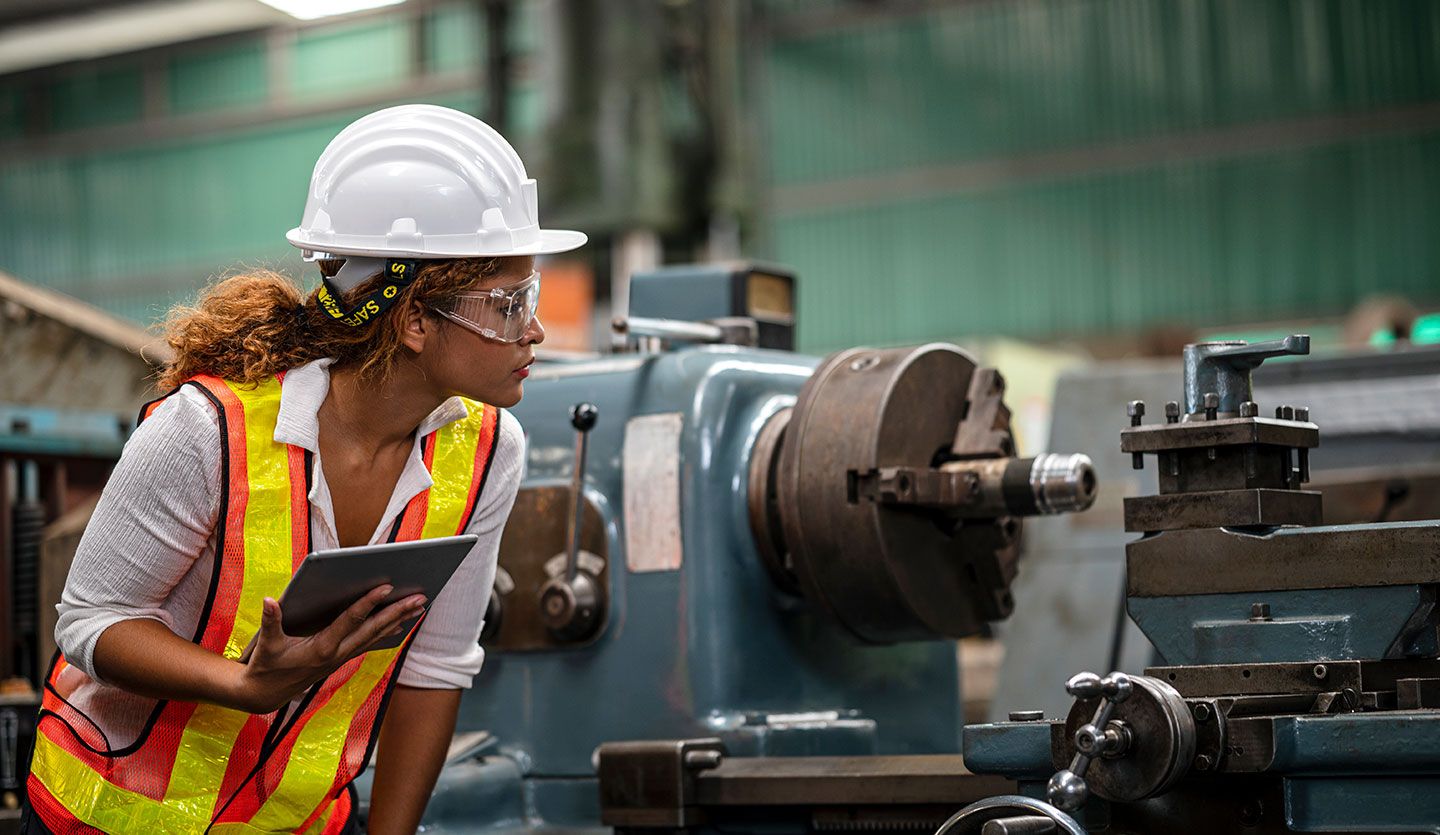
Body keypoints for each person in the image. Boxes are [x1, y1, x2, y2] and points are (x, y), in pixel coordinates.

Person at [24, 104, 586, 834]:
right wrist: (244, 685)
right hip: (111, 819)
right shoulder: (207, 429)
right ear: (415, 319)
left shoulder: (487, 452)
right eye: (509, 304)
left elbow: (434, 670)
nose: (534, 330)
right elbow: (90, 620)